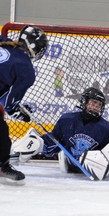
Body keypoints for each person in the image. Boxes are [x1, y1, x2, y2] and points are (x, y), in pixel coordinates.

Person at [0, 25, 48, 185]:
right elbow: (9, 105)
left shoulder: (4, 41)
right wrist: (23, 114)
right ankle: (2, 166)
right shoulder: (26, 69)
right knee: (1, 132)